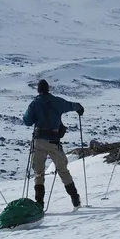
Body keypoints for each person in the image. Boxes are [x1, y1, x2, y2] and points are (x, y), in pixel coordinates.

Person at [22, 79, 85, 209]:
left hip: (39, 141)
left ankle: (39, 204)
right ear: (48, 89)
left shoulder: (34, 104)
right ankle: (75, 199)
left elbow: (27, 121)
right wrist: (79, 108)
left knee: (38, 173)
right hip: (54, 141)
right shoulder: (57, 101)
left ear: (38, 90)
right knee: (63, 170)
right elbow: (71, 105)